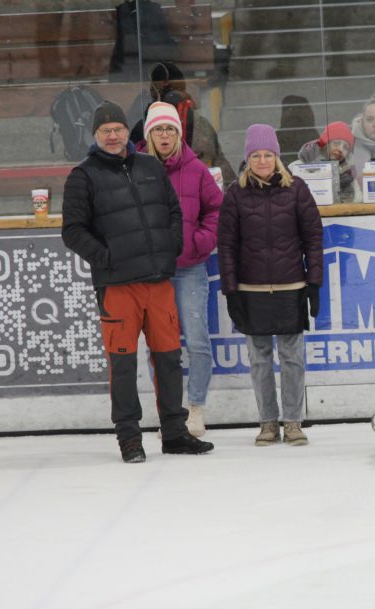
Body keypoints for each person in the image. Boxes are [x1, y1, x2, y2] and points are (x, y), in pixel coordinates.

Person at [61, 101, 214, 462]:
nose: (113, 136)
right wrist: (108, 258)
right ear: (95, 135)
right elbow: (73, 231)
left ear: (126, 132)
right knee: (124, 365)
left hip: (158, 282)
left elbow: (173, 212)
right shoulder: (83, 176)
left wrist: (171, 246)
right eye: (105, 131)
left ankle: (174, 433)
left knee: (169, 360)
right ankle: (129, 438)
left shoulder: (150, 166)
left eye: (117, 129)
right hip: (117, 288)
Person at [217, 124, 324, 446]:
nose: (262, 161)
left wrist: (313, 283)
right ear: (247, 159)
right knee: (260, 360)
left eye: (267, 155)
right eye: (255, 155)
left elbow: (313, 239)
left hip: (291, 288)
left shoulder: (297, 189)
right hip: (252, 291)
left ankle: (292, 422)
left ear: (277, 157)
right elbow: (227, 246)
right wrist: (231, 290)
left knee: (292, 358)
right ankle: (267, 422)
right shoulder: (235, 194)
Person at [136, 101, 224, 437]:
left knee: (197, 341)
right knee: (159, 346)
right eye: (158, 129)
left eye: (170, 129)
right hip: (152, 272)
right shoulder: (135, 168)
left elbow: (216, 211)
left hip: (189, 269)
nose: (164, 135)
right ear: (149, 134)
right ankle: (169, 414)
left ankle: (195, 409)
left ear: (178, 133)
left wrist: (199, 242)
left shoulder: (196, 169)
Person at [128, 62, 236, 187]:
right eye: (164, 92)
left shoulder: (200, 125)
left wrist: (232, 191)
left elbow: (222, 169)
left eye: (175, 92)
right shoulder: (143, 127)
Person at [297, 121, 359, 203]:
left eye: (345, 147)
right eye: (336, 143)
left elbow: (357, 202)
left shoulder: (350, 178)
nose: (341, 149)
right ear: (326, 144)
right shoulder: (298, 167)